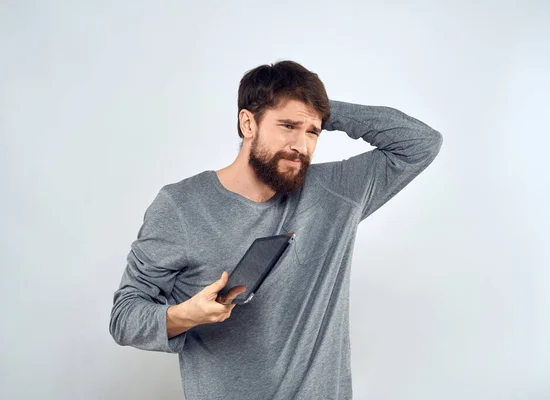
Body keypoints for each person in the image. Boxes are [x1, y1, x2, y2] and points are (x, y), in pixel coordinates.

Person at [109, 60, 443, 399]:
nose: (302, 145)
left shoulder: (336, 192)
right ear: (248, 122)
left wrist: (321, 109)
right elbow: (124, 317)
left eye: (312, 131)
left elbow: (421, 143)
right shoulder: (181, 206)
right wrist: (185, 315)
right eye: (287, 125)